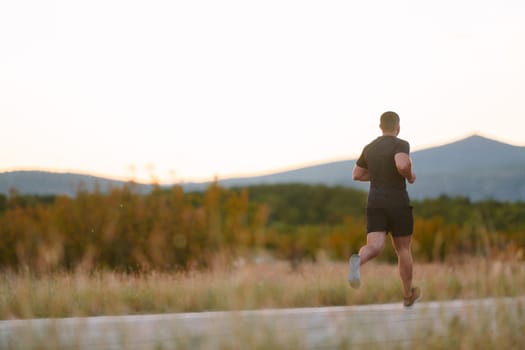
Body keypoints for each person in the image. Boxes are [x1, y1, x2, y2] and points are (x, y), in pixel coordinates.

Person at [348, 111, 421, 307]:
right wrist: (409, 176)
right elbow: (402, 163)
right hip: (397, 200)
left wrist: (379, 175)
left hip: (375, 201)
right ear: (397, 127)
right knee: (403, 249)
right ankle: (407, 295)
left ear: (380, 127)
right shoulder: (400, 143)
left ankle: (358, 260)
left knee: (374, 246)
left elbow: (356, 174)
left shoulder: (370, 147)